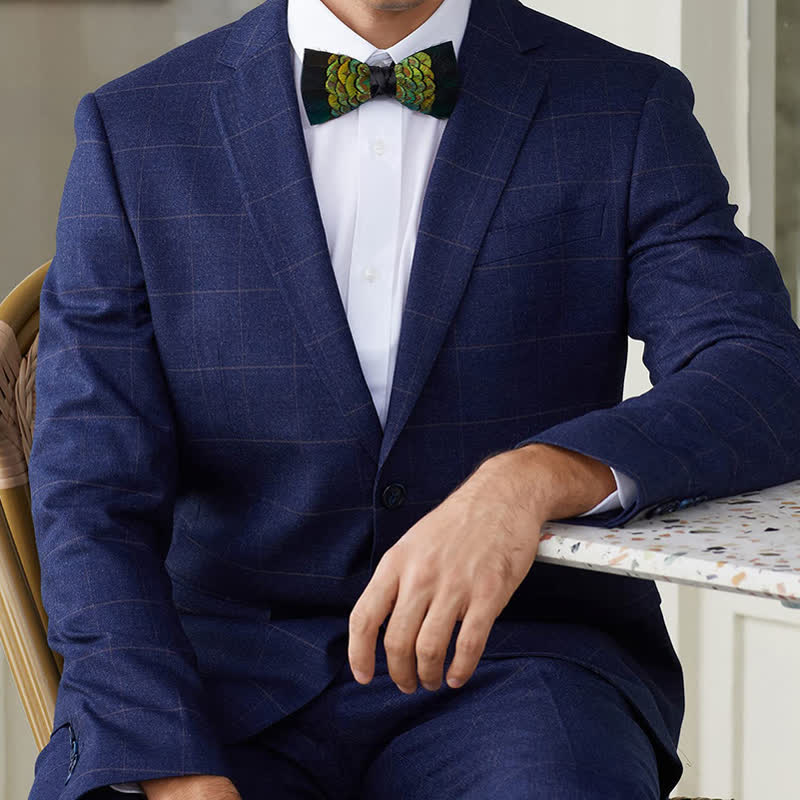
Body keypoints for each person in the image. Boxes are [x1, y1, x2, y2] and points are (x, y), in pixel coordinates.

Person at [26, 0, 800, 797]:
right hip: (213, 680)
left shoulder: (623, 104)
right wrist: (168, 762)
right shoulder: (134, 128)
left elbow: (762, 373)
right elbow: (90, 494)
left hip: (519, 668)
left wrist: (532, 479)